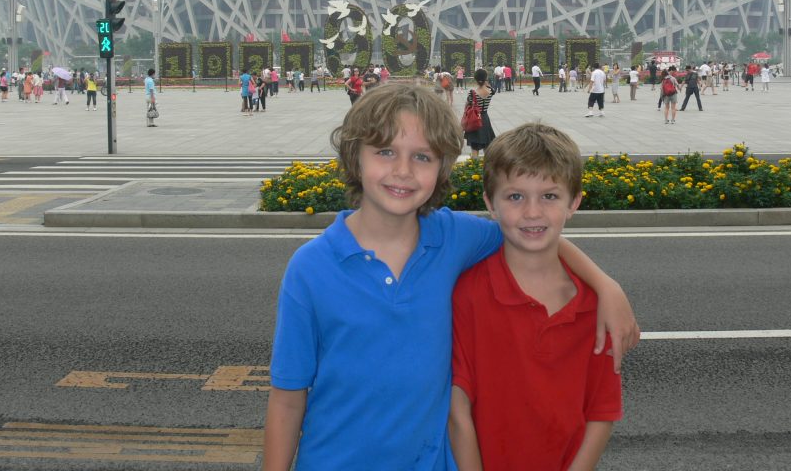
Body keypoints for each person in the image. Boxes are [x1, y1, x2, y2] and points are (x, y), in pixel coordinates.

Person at [262, 83, 638, 471]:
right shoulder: (310, 268)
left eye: (422, 156)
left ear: (442, 167)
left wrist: (605, 286)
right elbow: (289, 398)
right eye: (385, 151)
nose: (402, 171)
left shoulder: (454, 237)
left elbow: (531, 233)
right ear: (355, 157)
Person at [449, 123, 622, 471]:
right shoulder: (468, 293)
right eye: (515, 196)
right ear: (490, 203)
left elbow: (602, 410)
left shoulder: (595, 306)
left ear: (574, 202)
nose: (532, 212)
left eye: (549, 196)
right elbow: (457, 409)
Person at [464, 68, 496, 158]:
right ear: (485, 78)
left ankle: (475, 167)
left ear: (476, 79)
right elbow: (490, 87)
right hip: (485, 119)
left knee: (475, 147)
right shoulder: (491, 91)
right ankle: (488, 167)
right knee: (487, 145)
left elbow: (467, 106)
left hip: (475, 119)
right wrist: (486, 83)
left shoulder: (472, 93)